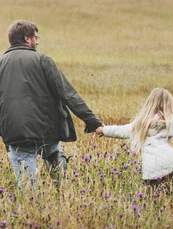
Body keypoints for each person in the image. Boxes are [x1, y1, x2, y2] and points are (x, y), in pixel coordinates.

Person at [0, 20, 103, 187]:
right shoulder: (42, 60)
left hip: (14, 132)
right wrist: (93, 121)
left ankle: (30, 210)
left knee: (26, 186)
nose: (37, 41)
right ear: (27, 39)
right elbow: (68, 94)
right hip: (46, 130)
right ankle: (62, 197)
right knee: (56, 162)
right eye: (36, 37)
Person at [96, 88, 173, 188]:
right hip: (170, 165)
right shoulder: (170, 120)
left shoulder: (141, 122)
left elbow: (121, 130)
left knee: (155, 204)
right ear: (169, 103)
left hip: (150, 171)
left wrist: (103, 130)